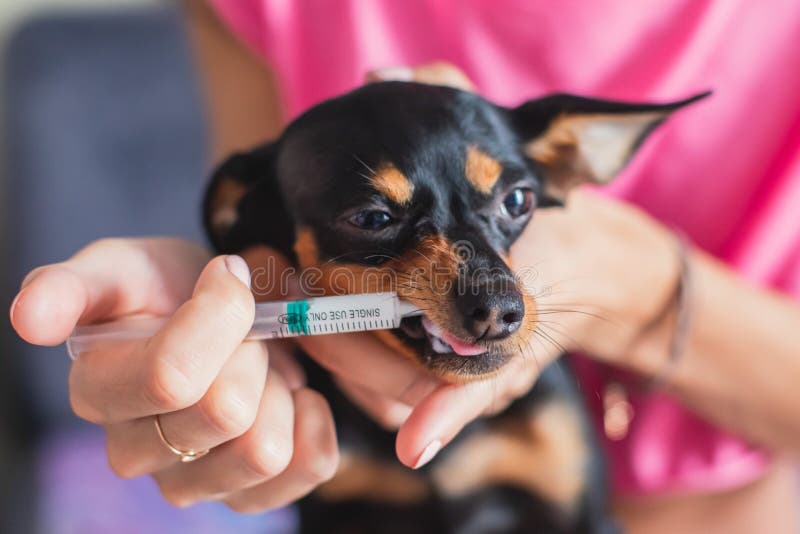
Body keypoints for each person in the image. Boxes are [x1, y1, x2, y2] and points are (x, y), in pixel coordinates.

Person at [10, 1, 800, 532]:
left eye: (512, 204)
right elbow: (263, 251)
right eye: (375, 219)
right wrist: (226, 294)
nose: (493, 306)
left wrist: (634, 284)